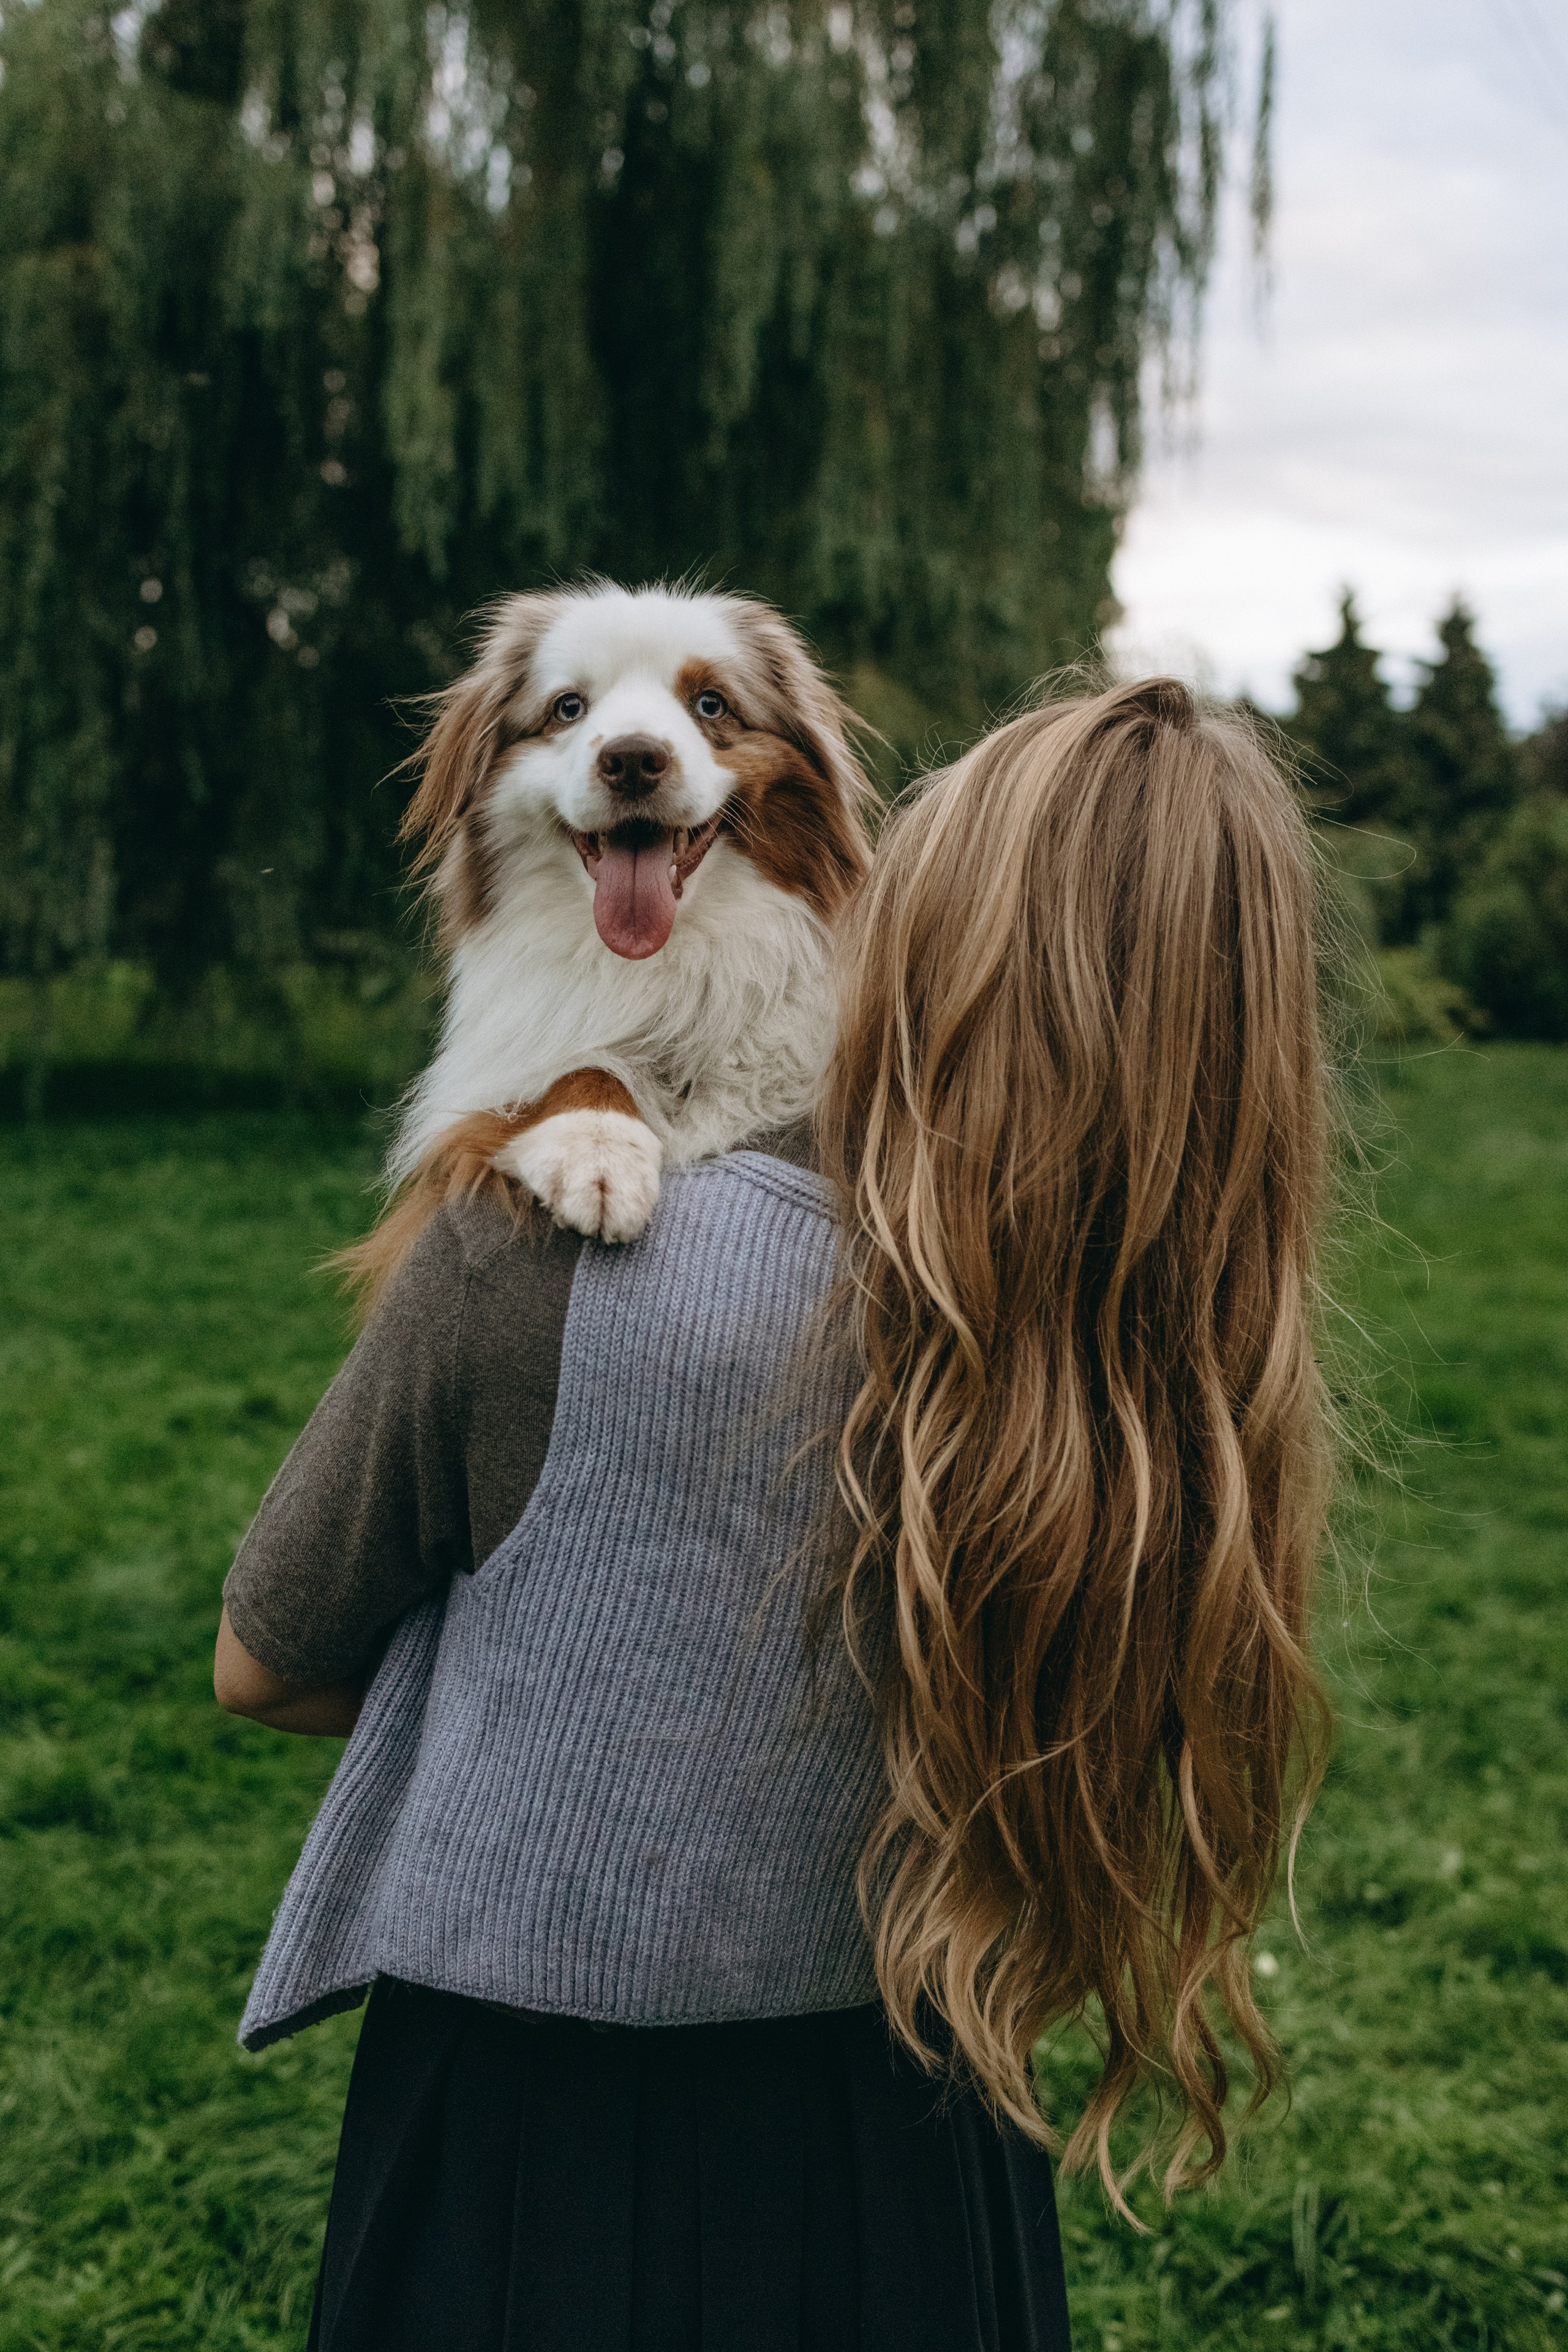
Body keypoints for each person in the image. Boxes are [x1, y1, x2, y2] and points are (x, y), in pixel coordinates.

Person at [216, 676, 1335, 2350]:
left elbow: (270, 1661)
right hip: (924, 2143)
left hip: (539, 2155)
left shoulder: (539, 1254)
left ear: (933, 947)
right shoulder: (1166, 1369)